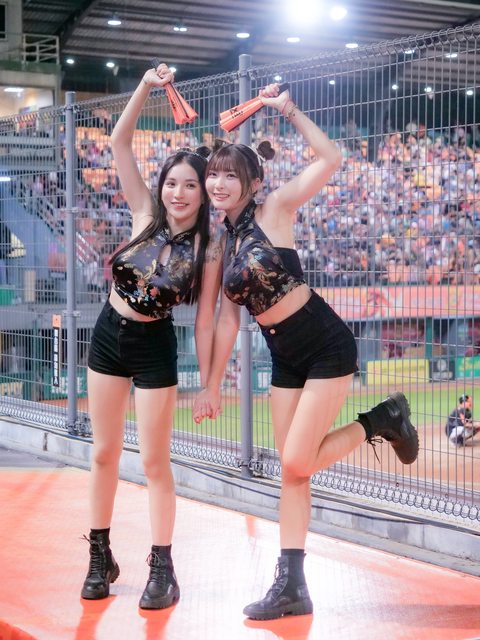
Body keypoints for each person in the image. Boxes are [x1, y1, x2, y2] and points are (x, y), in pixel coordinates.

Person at [193, 83, 419, 620]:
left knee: (296, 458)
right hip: (283, 358)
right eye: (213, 174)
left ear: (252, 182)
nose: (218, 183)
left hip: (325, 345)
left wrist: (287, 109)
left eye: (230, 175)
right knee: (292, 473)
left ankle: (384, 419)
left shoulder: (275, 208)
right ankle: (291, 586)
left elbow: (331, 157)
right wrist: (211, 383)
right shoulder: (221, 242)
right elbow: (226, 319)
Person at [82, 62, 222, 610]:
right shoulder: (144, 213)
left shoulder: (210, 249)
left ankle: (162, 568)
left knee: (154, 462)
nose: (178, 192)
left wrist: (210, 382)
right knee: (103, 453)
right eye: (172, 182)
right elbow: (120, 141)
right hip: (107, 335)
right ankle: (99, 557)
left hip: (154, 348)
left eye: (190, 185)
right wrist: (145, 86)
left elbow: (206, 320)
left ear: (204, 194)